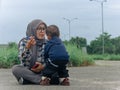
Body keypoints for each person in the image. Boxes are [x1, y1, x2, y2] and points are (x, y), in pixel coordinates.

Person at [12, 19, 47, 85]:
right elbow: (23, 61)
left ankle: (27, 80)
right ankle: (41, 79)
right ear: (32, 29)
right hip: (28, 70)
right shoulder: (24, 41)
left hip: (43, 71)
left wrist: (43, 67)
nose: (42, 31)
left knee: (55, 70)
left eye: (44, 29)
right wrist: (28, 48)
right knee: (15, 69)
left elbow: (50, 60)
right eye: (39, 29)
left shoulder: (47, 43)